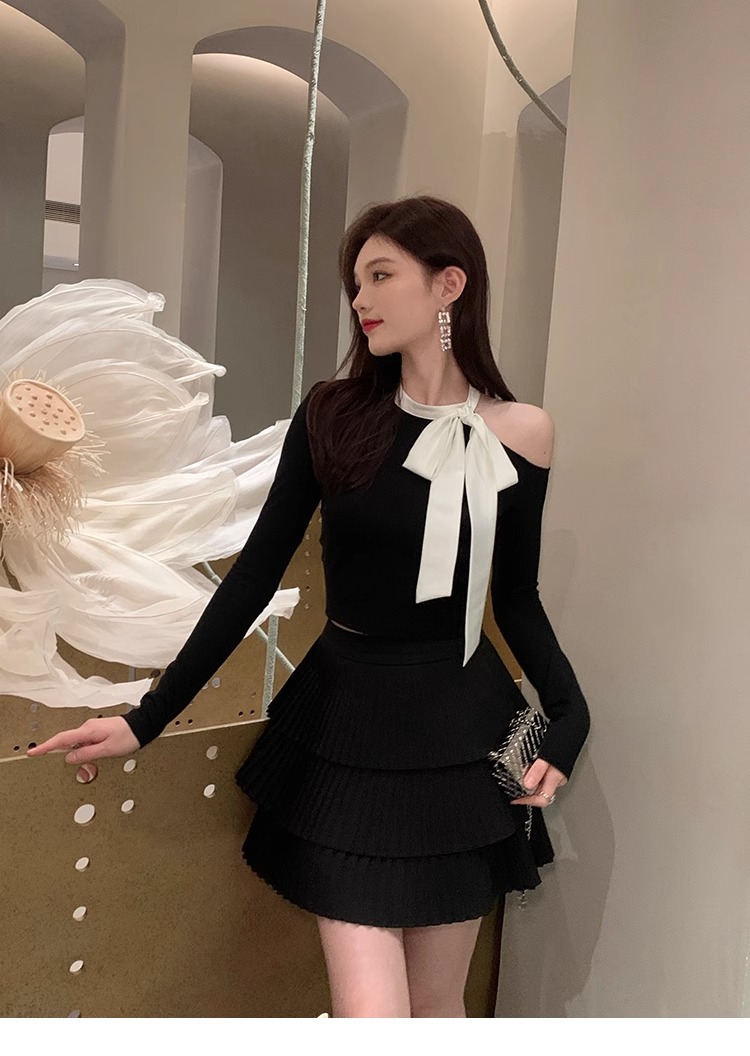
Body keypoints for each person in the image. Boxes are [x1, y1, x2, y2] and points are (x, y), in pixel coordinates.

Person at [28, 195, 591, 1018]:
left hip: (463, 738)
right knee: (374, 1018)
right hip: (346, 724)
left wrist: (571, 719)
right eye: (354, 282)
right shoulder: (333, 415)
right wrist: (146, 719)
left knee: (439, 1007)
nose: (360, 299)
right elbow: (251, 579)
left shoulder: (523, 432)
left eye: (381, 276)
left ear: (449, 285)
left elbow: (516, 599)